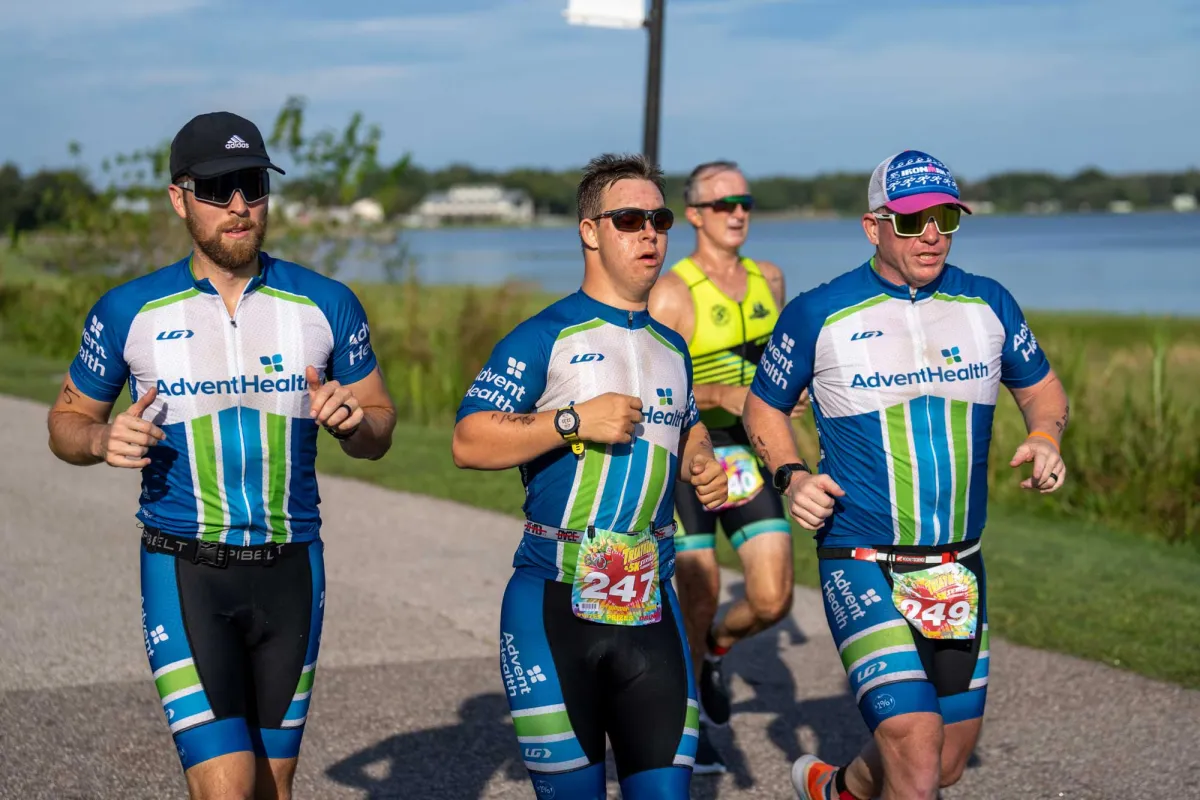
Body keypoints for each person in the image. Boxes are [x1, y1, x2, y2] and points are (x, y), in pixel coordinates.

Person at [46, 111, 397, 800]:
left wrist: (354, 423)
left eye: (253, 185)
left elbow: (381, 427)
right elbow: (66, 422)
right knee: (227, 788)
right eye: (217, 189)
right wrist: (98, 439)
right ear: (179, 198)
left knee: (273, 786)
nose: (239, 205)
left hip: (293, 568)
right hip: (186, 571)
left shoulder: (326, 303)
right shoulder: (128, 310)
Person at [741, 150, 1069, 800]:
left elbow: (1044, 390)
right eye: (914, 219)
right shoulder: (819, 311)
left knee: (943, 760)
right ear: (873, 227)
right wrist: (791, 476)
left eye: (946, 218)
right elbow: (763, 406)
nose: (931, 235)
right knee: (917, 752)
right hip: (863, 557)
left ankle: (839, 790)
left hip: (957, 565)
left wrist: (1043, 435)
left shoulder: (987, 302)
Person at [452, 153, 728, 800]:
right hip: (555, 600)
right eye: (629, 219)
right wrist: (574, 421)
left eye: (659, 219)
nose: (650, 234)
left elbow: (686, 423)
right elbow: (468, 440)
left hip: (651, 603)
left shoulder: (673, 347)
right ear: (589, 231)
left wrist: (701, 459)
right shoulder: (544, 335)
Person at [647, 160, 802, 772]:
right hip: (689, 454)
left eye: (745, 201)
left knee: (772, 599)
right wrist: (716, 396)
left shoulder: (771, 278)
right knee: (700, 587)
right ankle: (686, 722)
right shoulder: (672, 291)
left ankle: (712, 650)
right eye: (722, 204)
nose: (737, 212)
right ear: (694, 215)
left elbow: (778, 372)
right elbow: (656, 385)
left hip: (747, 453)